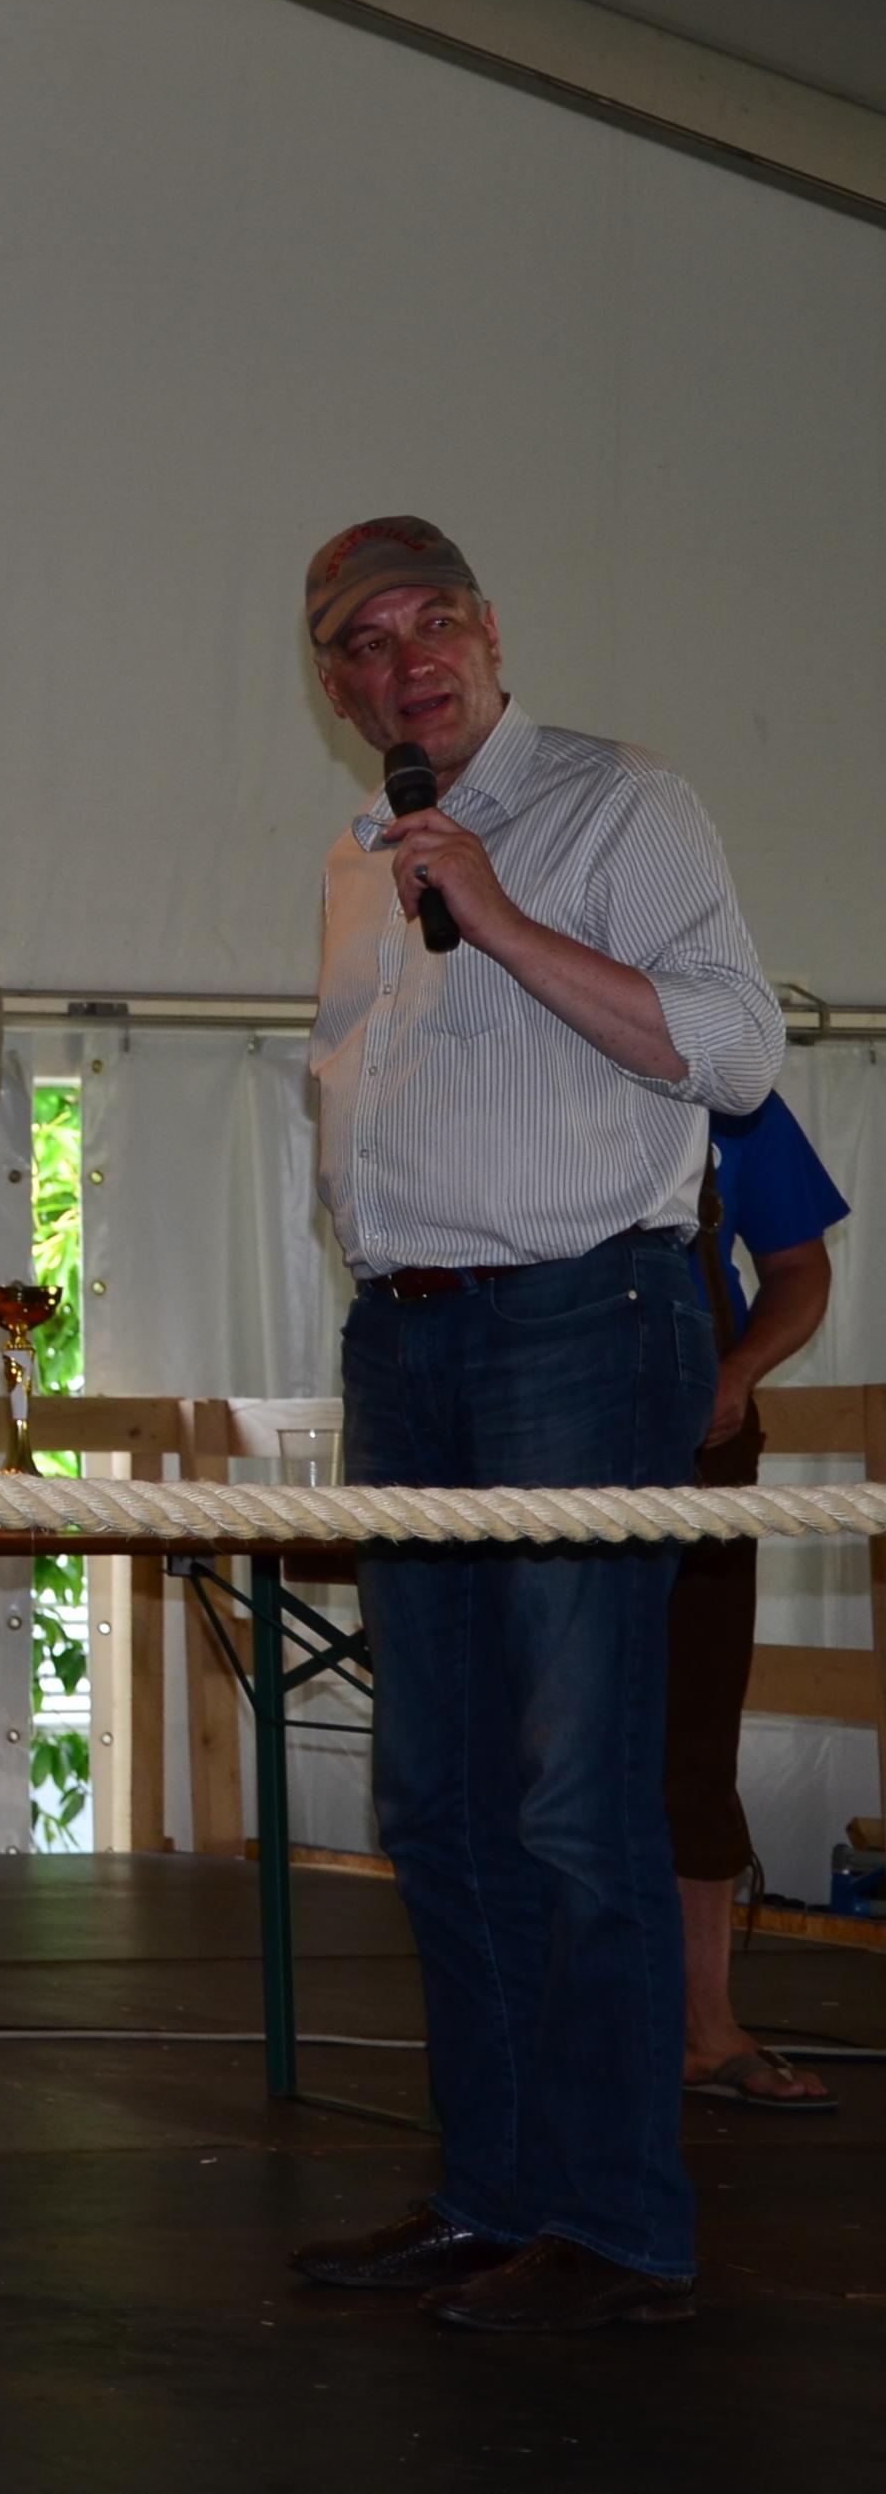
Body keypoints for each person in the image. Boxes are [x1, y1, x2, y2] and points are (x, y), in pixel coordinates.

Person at [285, 516, 780, 2331]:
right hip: (409, 1337)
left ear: (491, 635)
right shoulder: (359, 858)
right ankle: (492, 2194)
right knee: (433, 1796)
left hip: (583, 1318)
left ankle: (620, 2220)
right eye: (365, 642)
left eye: (432, 623)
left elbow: (737, 1052)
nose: (404, 661)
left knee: (576, 1793)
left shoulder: (620, 804)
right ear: (336, 685)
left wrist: (495, 912)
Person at [665, 1094, 844, 2112]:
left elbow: (798, 1265)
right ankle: (560, 2022)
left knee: (694, 1734)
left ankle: (703, 2027)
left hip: (702, 1443)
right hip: (540, 1441)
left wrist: (737, 1370)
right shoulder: (521, 1069)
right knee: (538, 1741)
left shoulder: (732, 1098)